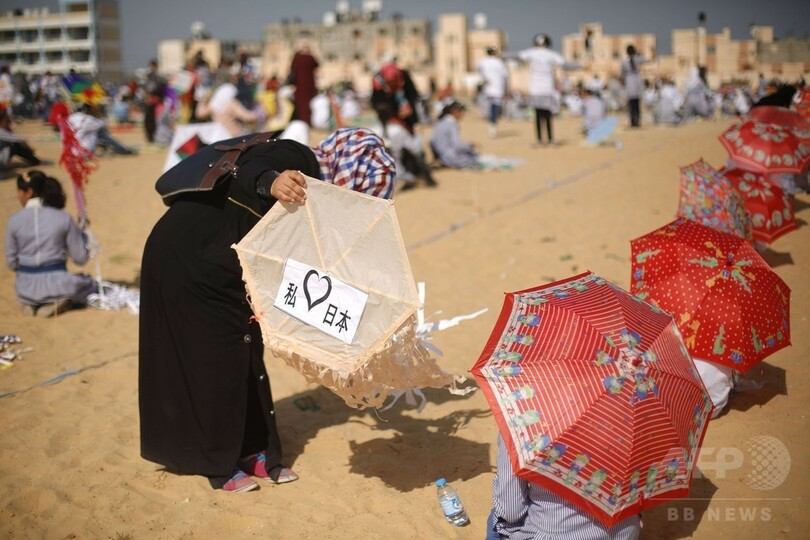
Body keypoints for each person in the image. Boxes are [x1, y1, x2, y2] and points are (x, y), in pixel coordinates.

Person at [139, 127, 395, 493]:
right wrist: (272, 182)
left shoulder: (320, 199)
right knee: (212, 360)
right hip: (185, 256)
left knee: (246, 352)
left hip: (224, 265)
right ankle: (219, 463)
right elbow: (252, 168)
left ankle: (255, 451)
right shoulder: (300, 157)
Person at [487, 434, 641, 539]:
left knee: (496, 516)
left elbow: (511, 511)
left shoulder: (521, 420)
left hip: (554, 534)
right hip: (624, 530)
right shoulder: (642, 414)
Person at [4, 171, 98, 317]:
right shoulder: (62, 218)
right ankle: (53, 303)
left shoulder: (14, 221)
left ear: (28, 192)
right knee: (90, 284)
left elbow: (12, 263)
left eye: (19, 191)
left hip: (24, 287)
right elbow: (80, 258)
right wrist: (82, 233)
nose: (18, 196)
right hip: (58, 284)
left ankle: (32, 304)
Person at [511, 34, 578, 147]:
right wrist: (580, 66)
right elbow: (564, 64)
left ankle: (539, 140)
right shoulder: (551, 54)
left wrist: (499, 53)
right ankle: (551, 140)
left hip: (535, 90)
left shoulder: (532, 52)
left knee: (538, 116)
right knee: (547, 116)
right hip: (547, 89)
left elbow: (517, 56)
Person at [195, 76, 260, 137]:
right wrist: (259, 113)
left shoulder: (213, 105)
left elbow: (200, 114)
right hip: (233, 136)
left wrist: (202, 100)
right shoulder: (231, 104)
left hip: (218, 136)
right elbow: (247, 117)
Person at [66, 103, 137, 155]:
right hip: (83, 153)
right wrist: (98, 114)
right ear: (90, 109)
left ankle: (117, 148)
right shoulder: (91, 120)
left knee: (90, 133)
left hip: (69, 151)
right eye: (95, 108)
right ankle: (122, 150)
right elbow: (104, 127)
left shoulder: (72, 117)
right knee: (100, 133)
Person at [429, 101, 480, 169]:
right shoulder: (451, 124)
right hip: (450, 157)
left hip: (442, 155)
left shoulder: (442, 122)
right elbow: (457, 146)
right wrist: (470, 145)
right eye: (460, 111)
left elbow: (431, 140)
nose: (462, 114)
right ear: (454, 111)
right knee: (476, 158)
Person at [477, 44, 510, 138]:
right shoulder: (499, 62)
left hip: (487, 89)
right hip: (497, 89)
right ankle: (493, 125)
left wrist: (484, 79)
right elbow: (505, 77)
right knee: (495, 108)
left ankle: (492, 125)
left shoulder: (482, 62)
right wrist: (507, 88)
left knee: (489, 107)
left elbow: (479, 72)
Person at [289, 40, 319, 126]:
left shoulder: (297, 57)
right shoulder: (310, 57)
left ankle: (301, 122)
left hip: (300, 85)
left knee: (301, 105)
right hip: (308, 85)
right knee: (307, 105)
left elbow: (292, 68)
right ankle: (306, 123)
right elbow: (316, 64)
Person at [620, 45, 646, 127]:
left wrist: (623, 83)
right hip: (636, 80)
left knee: (632, 104)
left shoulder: (624, 61)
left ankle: (633, 121)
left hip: (629, 81)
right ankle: (637, 120)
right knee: (636, 103)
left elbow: (622, 74)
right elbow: (648, 59)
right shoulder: (638, 59)